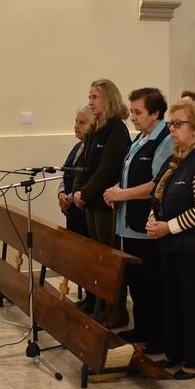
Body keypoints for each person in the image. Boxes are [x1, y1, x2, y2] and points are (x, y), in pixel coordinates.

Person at [146, 99, 195, 379]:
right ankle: (176, 352)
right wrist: (153, 221)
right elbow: (160, 194)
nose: (172, 128)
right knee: (173, 302)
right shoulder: (175, 157)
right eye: (171, 123)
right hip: (172, 245)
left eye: (178, 123)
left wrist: (169, 227)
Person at [103, 88, 173, 354]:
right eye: (131, 111)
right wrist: (116, 189)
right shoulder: (141, 138)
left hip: (147, 224)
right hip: (127, 222)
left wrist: (123, 193)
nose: (132, 116)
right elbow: (130, 173)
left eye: (137, 112)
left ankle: (157, 335)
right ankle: (142, 328)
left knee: (151, 283)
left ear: (155, 113)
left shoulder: (164, 139)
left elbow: (156, 184)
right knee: (136, 282)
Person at [73, 79, 132, 327]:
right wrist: (78, 191)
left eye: (95, 97)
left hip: (105, 203)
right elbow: (85, 165)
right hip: (91, 202)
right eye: (89, 96)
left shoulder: (116, 129)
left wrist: (84, 193)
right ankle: (99, 303)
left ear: (108, 99)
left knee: (109, 257)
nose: (90, 101)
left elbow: (107, 170)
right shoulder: (97, 127)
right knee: (96, 256)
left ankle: (116, 307)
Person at [58, 104, 93, 239]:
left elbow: (89, 179)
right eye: (76, 121)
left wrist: (70, 199)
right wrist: (61, 194)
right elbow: (65, 171)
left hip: (83, 212)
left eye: (82, 122)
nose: (76, 126)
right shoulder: (77, 146)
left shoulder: (92, 149)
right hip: (70, 212)